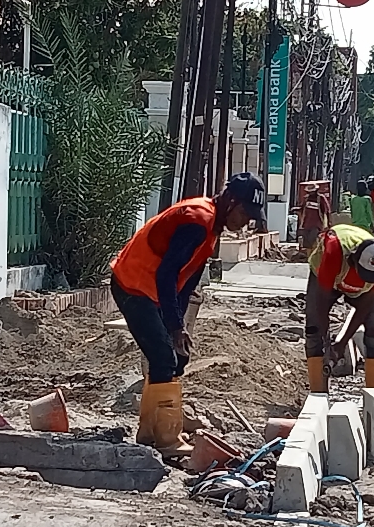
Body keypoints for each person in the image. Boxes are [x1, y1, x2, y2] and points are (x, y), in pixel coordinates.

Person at [110, 172, 267, 456]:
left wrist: (178, 327)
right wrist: (174, 327)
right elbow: (167, 274)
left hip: (149, 289)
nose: (245, 222)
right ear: (230, 201)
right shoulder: (198, 220)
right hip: (132, 283)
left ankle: (150, 433)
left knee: (174, 357)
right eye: (244, 213)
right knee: (163, 357)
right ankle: (167, 440)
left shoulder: (212, 229)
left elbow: (186, 282)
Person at [305, 224, 374, 393]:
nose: (365, 280)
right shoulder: (333, 253)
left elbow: (363, 309)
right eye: (363, 274)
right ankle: (318, 394)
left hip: (356, 288)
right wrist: (327, 345)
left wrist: (342, 343)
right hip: (325, 274)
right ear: (353, 261)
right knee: (313, 328)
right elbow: (321, 306)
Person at [298, 184, 331, 250]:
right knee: (306, 244)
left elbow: (326, 211)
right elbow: (302, 209)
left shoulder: (320, 198)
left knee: (314, 242)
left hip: (317, 225)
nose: (310, 193)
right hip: (306, 225)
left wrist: (327, 223)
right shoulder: (306, 198)